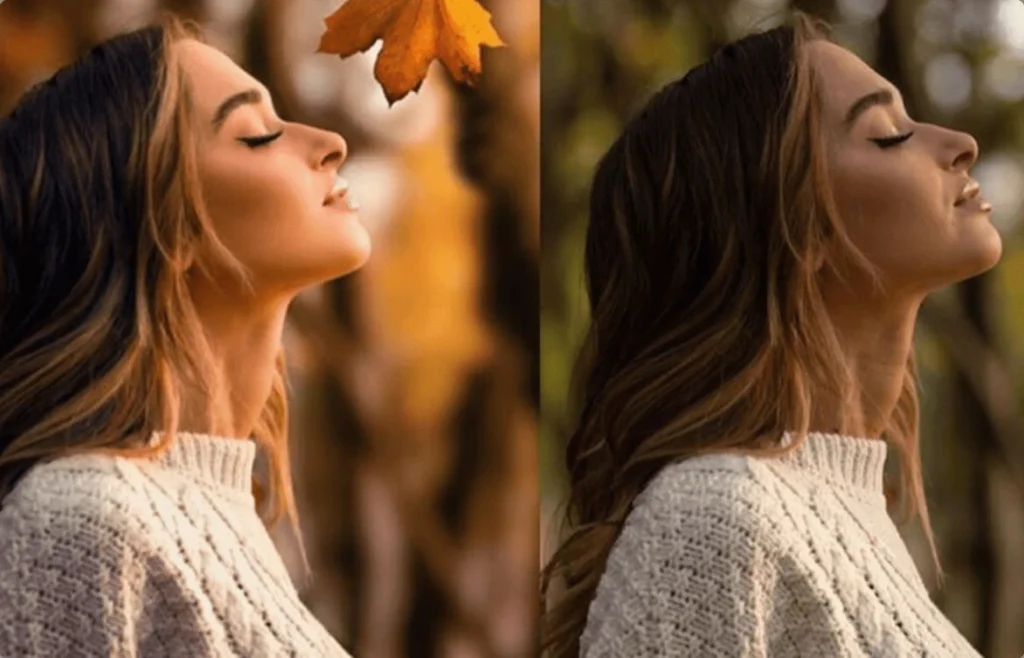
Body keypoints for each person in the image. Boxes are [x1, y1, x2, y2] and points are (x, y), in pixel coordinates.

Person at [541, 13, 997, 658]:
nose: (959, 142)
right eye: (888, 135)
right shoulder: (712, 518)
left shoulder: (850, 516)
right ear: (794, 226)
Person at [0, 12, 365, 657]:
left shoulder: (227, 516)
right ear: (167, 229)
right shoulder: (78, 519)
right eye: (256, 135)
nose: (330, 142)